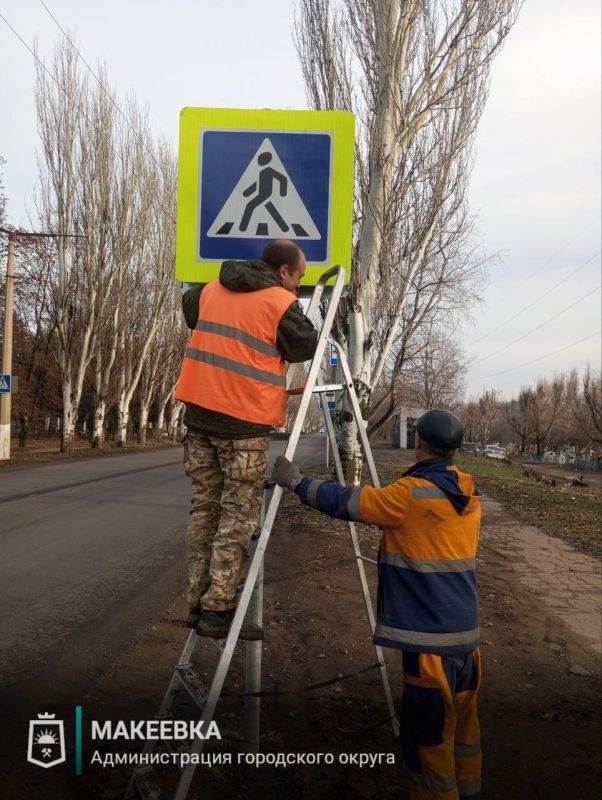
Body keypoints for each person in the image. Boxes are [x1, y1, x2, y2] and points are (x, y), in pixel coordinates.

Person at [272, 410, 482, 800]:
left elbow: (350, 501)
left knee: (428, 744)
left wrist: (298, 482)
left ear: (418, 442)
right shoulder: (469, 492)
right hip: (466, 638)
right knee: (464, 732)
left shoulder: (410, 496)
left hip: (429, 641)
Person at [175, 239, 318, 639]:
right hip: (243, 425)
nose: (299, 285)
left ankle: (196, 601)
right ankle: (218, 608)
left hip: (199, 418)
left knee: (204, 510)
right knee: (236, 516)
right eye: (299, 277)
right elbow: (305, 344)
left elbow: (190, 310)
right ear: (284, 272)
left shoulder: (212, 289)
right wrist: (293, 302)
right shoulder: (279, 302)